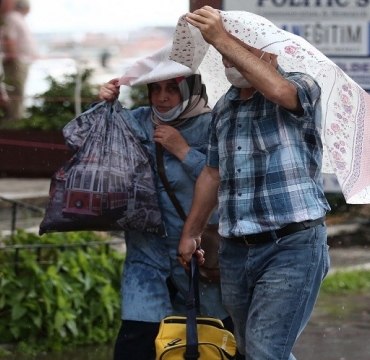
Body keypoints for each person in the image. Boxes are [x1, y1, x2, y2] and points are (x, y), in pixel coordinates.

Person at [176, 7, 333, 360]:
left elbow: (279, 91)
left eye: (241, 48)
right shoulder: (224, 108)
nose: (230, 56)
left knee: (264, 352)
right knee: (254, 351)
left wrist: (220, 36)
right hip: (236, 250)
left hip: (292, 246)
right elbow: (212, 174)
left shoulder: (300, 85)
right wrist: (191, 232)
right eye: (226, 50)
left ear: (270, 52)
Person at [98, 46, 233, 360]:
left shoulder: (214, 125)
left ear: (191, 88)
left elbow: (226, 180)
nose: (162, 97)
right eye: (155, 88)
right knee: (137, 341)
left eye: (173, 88)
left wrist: (184, 151)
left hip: (199, 257)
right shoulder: (135, 121)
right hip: (147, 254)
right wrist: (103, 105)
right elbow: (93, 149)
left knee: (211, 341)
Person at [0, 0, 38, 123]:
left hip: (21, 60)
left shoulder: (18, 18)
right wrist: (13, 57)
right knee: (16, 90)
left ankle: (17, 117)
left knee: (18, 91)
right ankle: (15, 119)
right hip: (16, 61)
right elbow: (9, 38)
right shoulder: (12, 18)